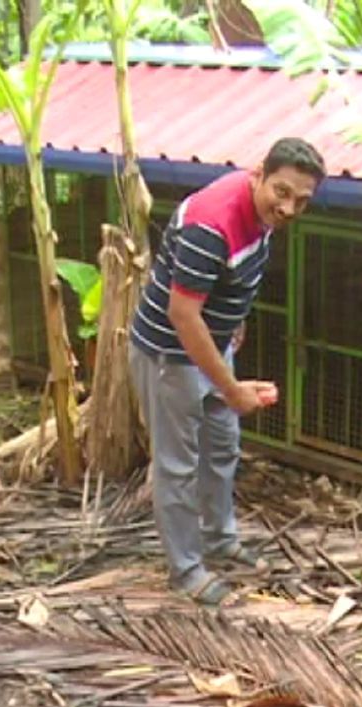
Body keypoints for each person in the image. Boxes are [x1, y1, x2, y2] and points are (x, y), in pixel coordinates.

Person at [128, 137, 325, 605]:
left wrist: (235, 318)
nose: (290, 207)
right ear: (258, 173)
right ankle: (187, 570)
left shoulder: (264, 212)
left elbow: (234, 275)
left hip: (212, 344)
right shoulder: (212, 225)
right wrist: (232, 389)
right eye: (282, 192)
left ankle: (219, 538)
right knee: (177, 466)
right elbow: (183, 314)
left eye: (302, 200)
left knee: (222, 445)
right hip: (169, 354)